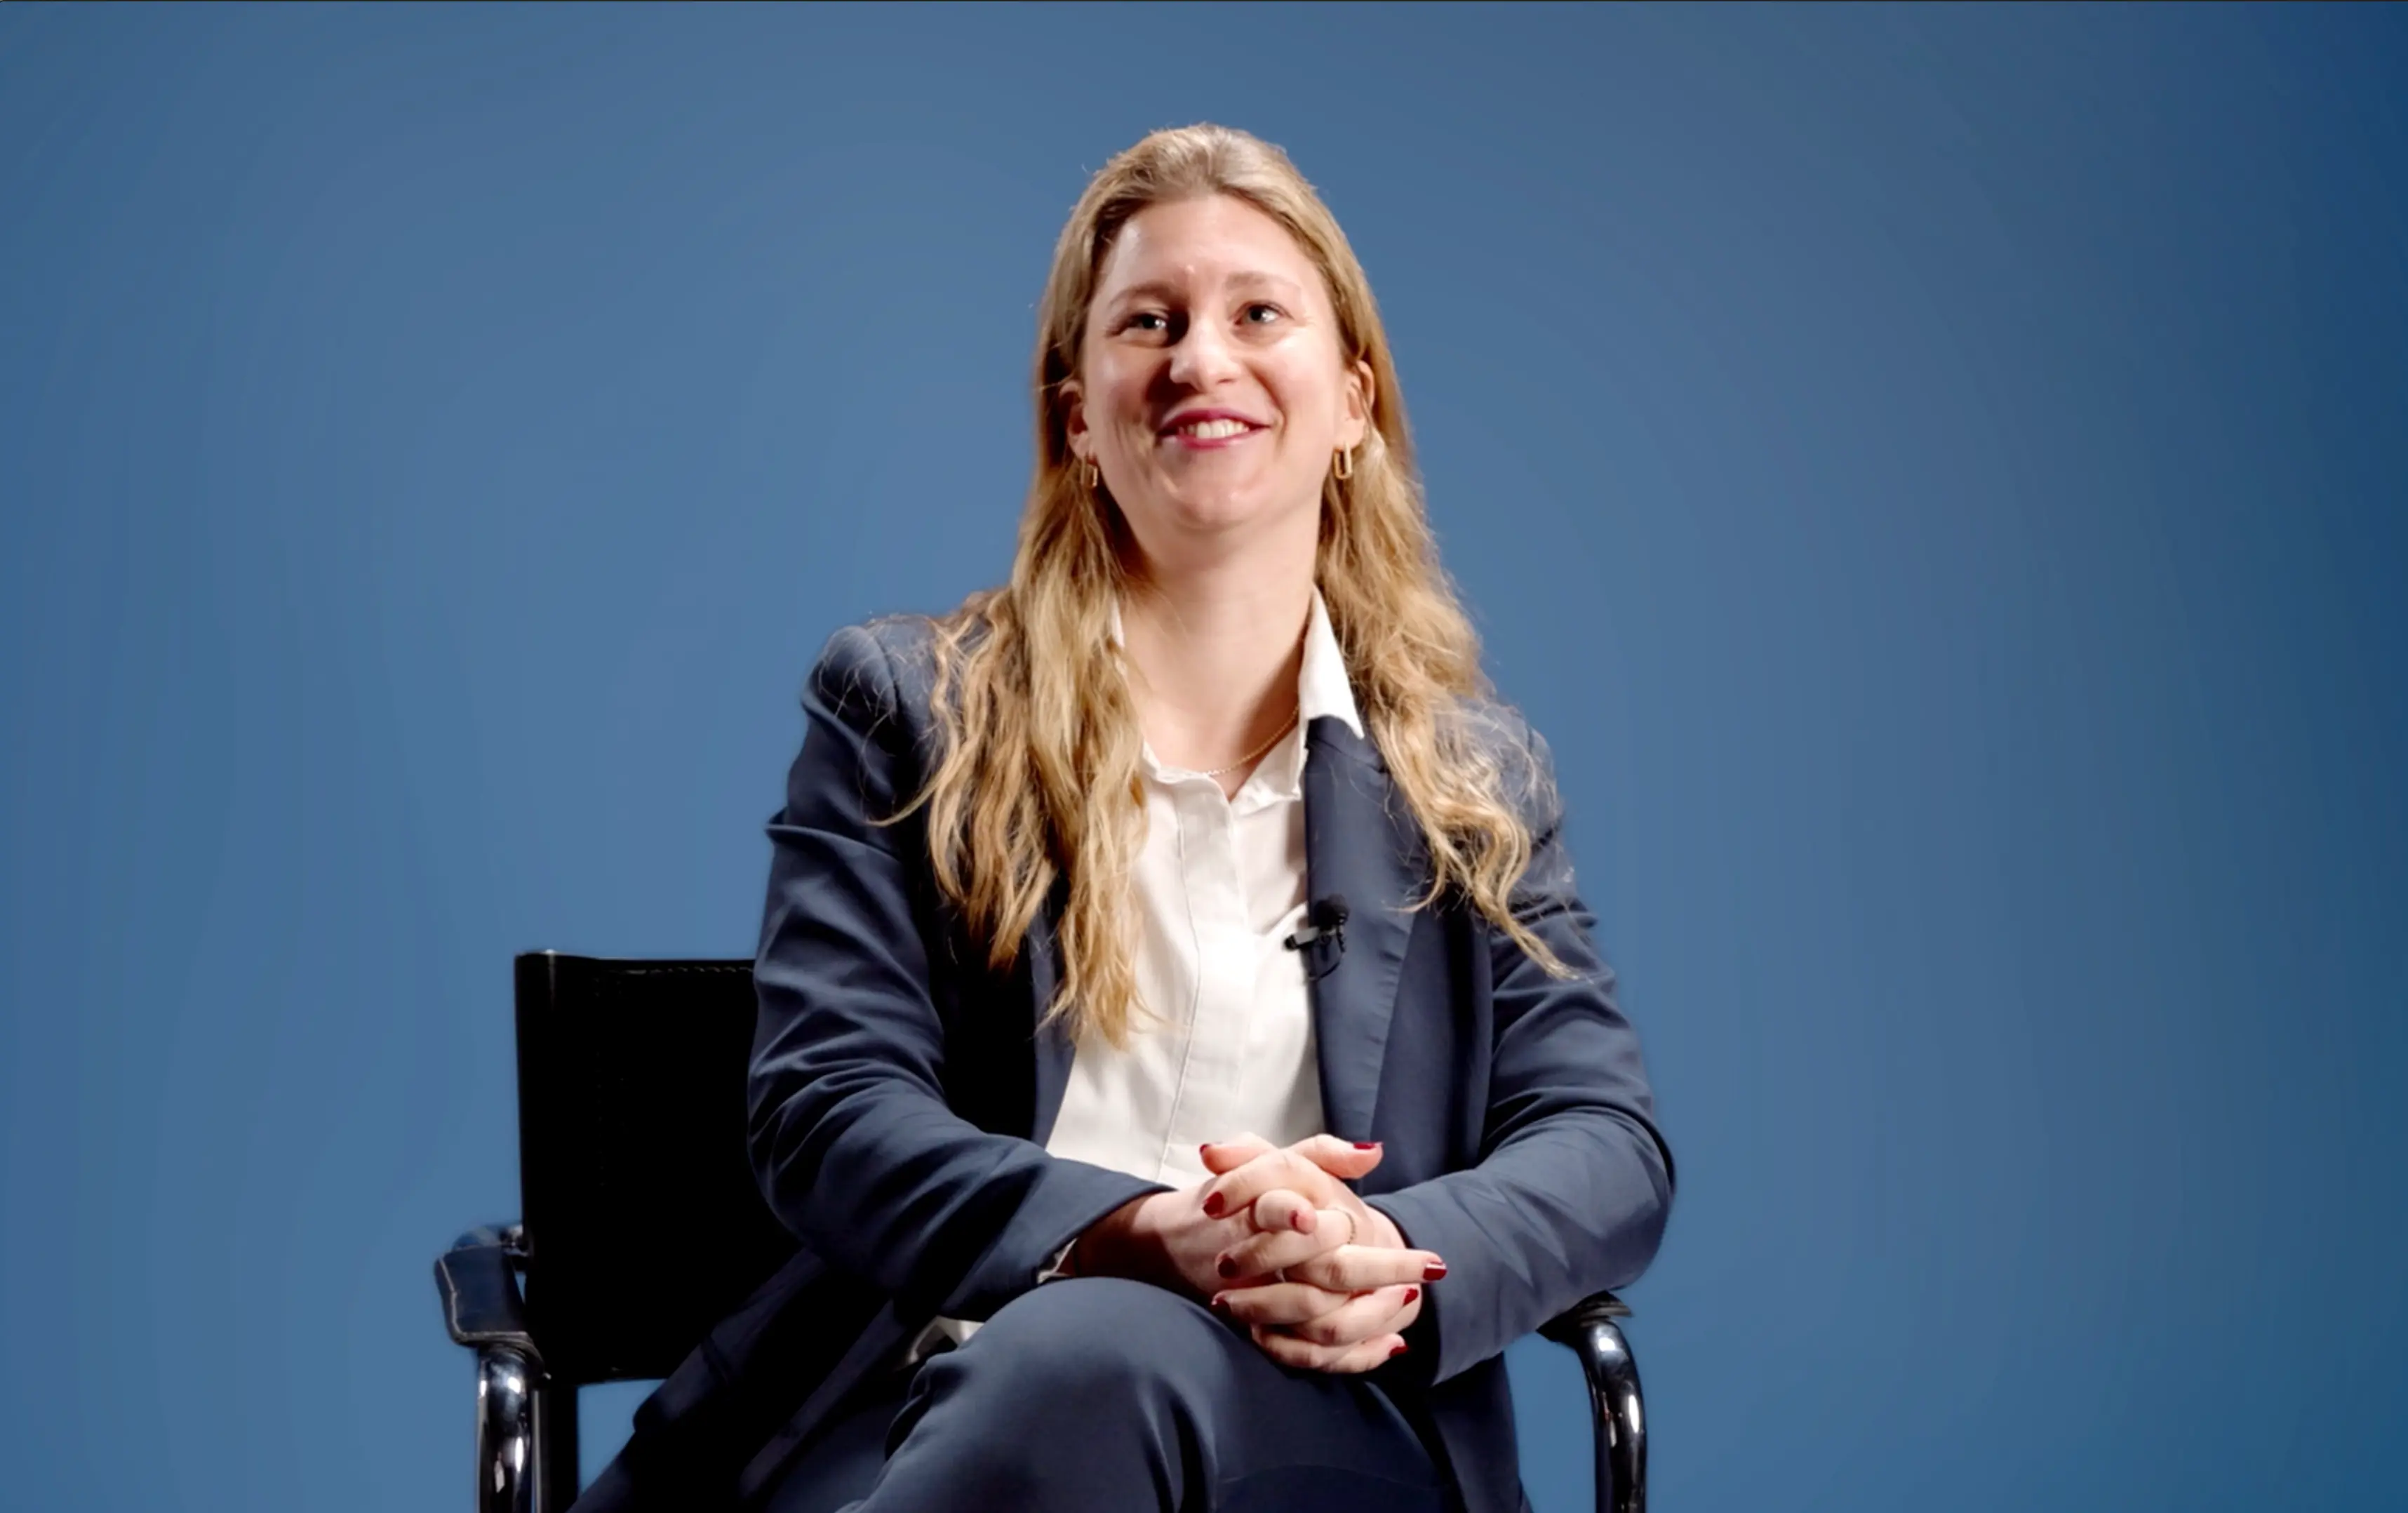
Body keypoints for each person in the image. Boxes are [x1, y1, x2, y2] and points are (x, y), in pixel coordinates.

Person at [577, 123, 1673, 1513]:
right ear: (1077, 413)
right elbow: (826, 1105)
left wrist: (1384, 1247)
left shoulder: (1474, 779)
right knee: (1082, 1354)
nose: (1201, 360)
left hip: (1335, 1417)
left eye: (1257, 314)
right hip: (925, 1398)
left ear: (1352, 401)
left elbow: (1603, 1142)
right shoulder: (907, 712)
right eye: (1147, 322)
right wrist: (1139, 1235)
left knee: (1096, 1363)